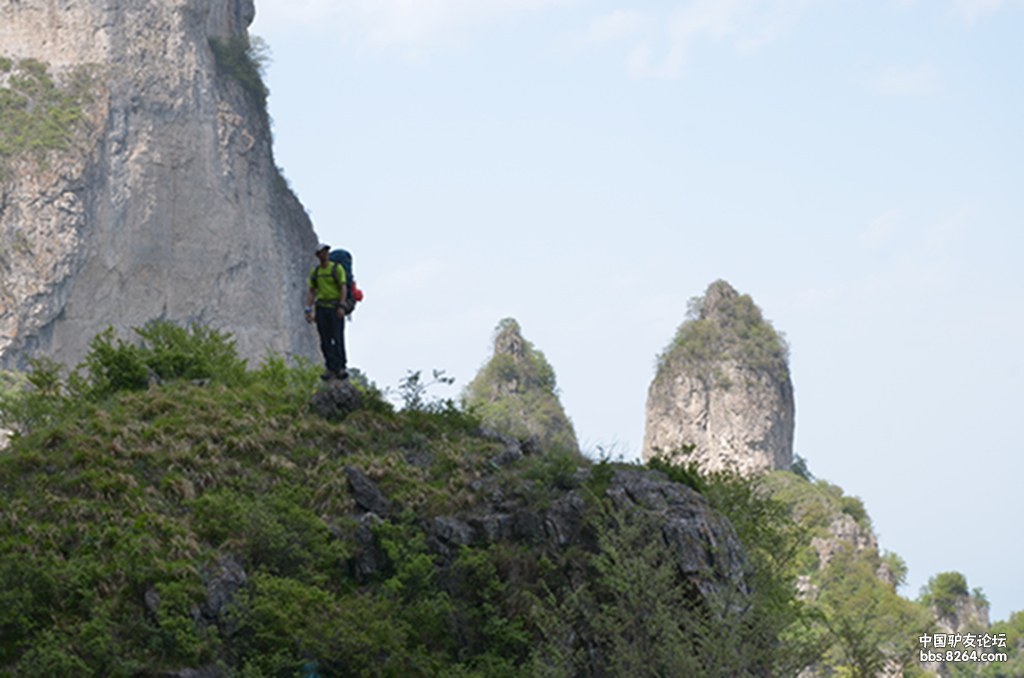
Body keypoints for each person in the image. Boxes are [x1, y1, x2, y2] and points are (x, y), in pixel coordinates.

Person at [305, 243, 348, 380]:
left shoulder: (336, 269)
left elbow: (343, 287)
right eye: (321, 252)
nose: (324, 255)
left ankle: (340, 367)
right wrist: (308, 309)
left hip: (335, 308)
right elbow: (312, 291)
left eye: (325, 252)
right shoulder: (316, 272)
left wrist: (341, 306)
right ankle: (330, 367)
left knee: (338, 338)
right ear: (318, 255)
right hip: (322, 308)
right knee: (325, 340)